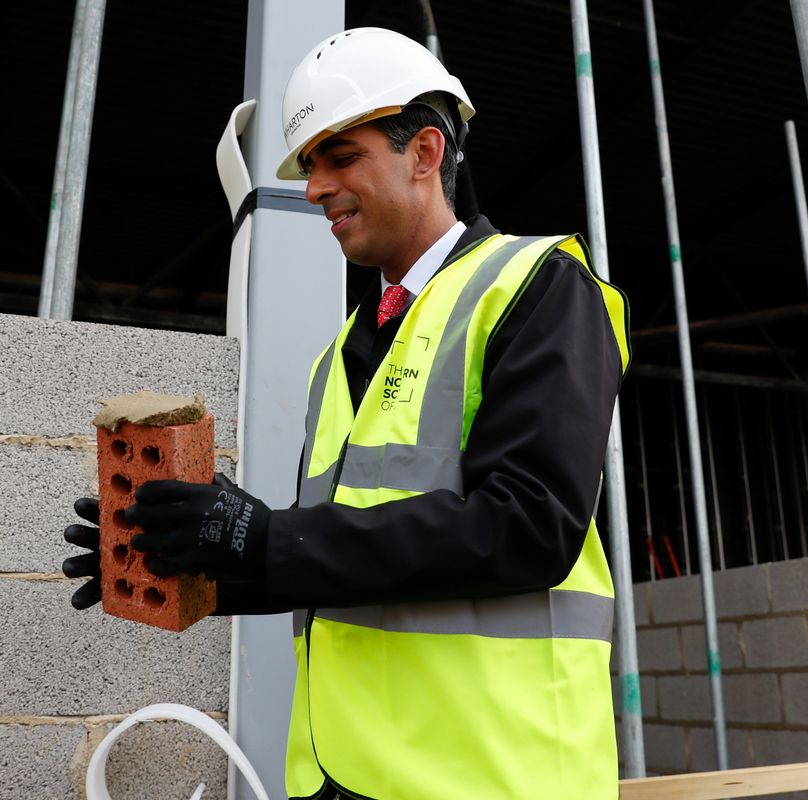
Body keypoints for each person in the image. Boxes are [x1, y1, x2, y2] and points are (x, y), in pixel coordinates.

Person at [62, 27, 628, 800]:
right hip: (344, 777)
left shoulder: (537, 286)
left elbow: (530, 526)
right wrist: (199, 566)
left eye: (341, 156)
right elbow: (337, 551)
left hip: (492, 774)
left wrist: (259, 536)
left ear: (426, 153)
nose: (317, 186)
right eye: (310, 167)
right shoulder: (343, 355)